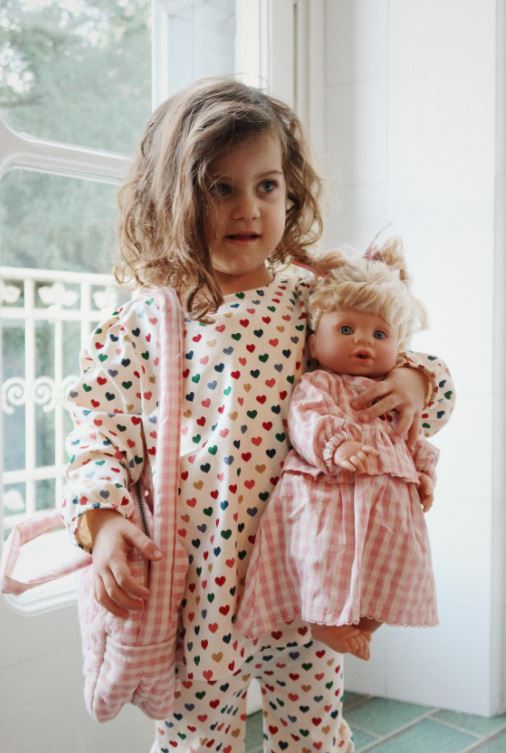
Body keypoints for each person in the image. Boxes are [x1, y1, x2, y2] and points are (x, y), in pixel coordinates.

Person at [62, 78, 455, 753]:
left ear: (289, 191)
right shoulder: (145, 323)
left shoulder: (313, 298)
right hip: (202, 588)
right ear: (173, 197)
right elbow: (98, 433)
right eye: (221, 188)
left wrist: (415, 381)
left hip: (309, 575)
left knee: (313, 734)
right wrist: (102, 524)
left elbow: (403, 363)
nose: (248, 209)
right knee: (197, 740)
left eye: (266, 186)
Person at [236, 240, 445, 662]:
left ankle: (365, 624)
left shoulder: (394, 389)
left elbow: (414, 437)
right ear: (315, 345)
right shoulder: (320, 384)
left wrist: (423, 473)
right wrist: (338, 446)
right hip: (330, 496)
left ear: (398, 349)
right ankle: (325, 621)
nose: (363, 341)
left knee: (393, 568)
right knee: (327, 556)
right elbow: (306, 419)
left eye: (379, 334)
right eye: (346, 330)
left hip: (388, 508)